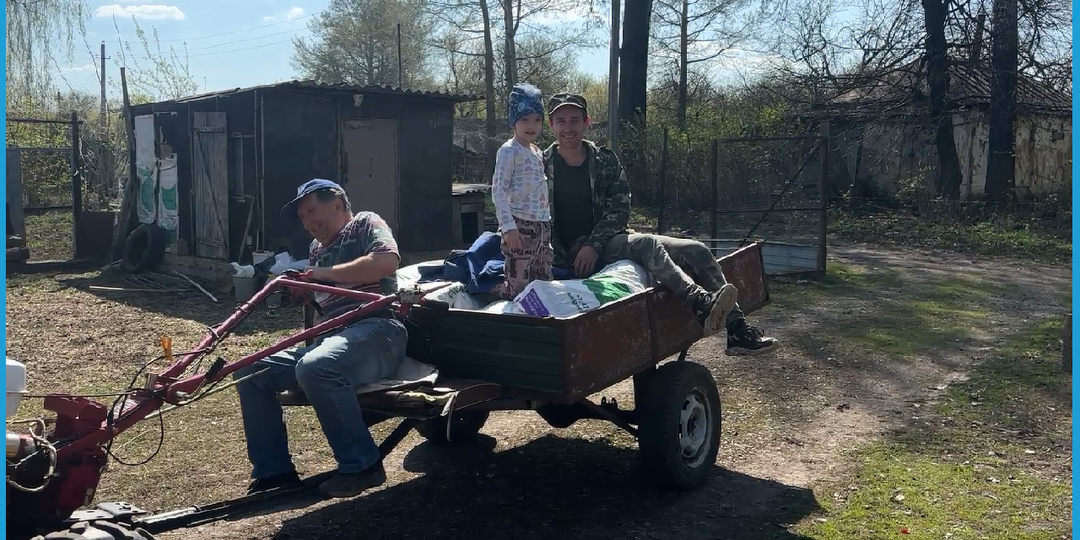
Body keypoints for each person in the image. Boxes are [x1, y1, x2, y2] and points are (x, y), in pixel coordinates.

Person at [542, 93, 779, 355]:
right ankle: (699, 302)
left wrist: (595, 243)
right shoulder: (539, 165)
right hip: (571, 252)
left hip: (607, 240)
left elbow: (620, 209)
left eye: (574, 120)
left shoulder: (605, 161)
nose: (568, 128)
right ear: (551, 125)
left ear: (587, 122)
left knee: (696, 249)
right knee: (647, 242)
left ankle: (738, 331)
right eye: (560, 121)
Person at [232, 178, 408, 498]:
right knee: (249, 370)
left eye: (312, 210)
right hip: (335, 338)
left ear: (338, 203)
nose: (308, 222)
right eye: (302, 217)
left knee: (316, 367)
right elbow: (325, 297)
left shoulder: (365, 224)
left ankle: (363, 466)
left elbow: (385, 263)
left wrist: (320, 276)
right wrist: (306, 291)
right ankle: (274, 472)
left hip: (378, 330)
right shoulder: (317, 249)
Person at [490, 82, 554, 299]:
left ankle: (540, 317)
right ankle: (492, 293)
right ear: (513, 121)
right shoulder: (509, 151)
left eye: (537, 119)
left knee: (543, 279)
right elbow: (498, 190)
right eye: (524, 119)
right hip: (520, 225)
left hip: (542, 226)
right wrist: (508, 227)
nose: (531, 125)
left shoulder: (537, 152)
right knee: (518, 284)